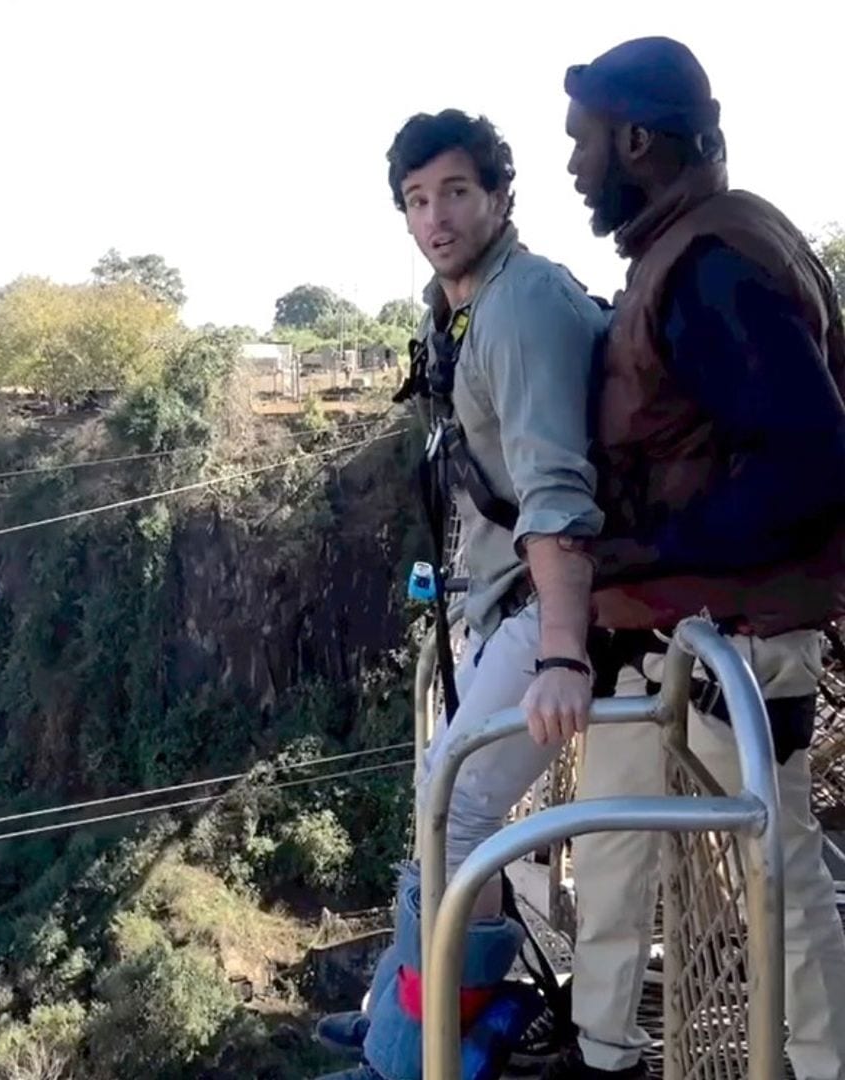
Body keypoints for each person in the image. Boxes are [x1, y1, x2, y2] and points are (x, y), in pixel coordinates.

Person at [548, 36, 845, 1080]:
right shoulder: (681, 255)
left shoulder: (717, 263)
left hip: (731, 641)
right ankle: (605, 1051)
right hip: (662, 630)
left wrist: (654, 553)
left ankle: (818, 1066)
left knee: (781, 881)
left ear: (636, 138)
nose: (573, 163)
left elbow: (810, 460)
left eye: (582, 141)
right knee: (612, 848)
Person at [313, 109, 609, 1080]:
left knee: (459, 813)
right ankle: (412, 1007)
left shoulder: (521, 310)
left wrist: (563, 648)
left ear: (499, 197)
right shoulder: (467, 307)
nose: (434, 218)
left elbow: (558, 489)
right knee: (441, 802)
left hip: (552, 603)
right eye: (415, 200)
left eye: (454, 193)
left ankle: (410, 1053)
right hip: (506, 604)